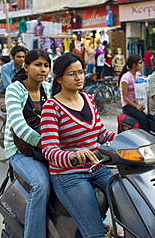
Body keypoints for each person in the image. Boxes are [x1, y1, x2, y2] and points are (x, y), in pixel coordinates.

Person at [40, 52, 117, 237]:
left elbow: (101, 134)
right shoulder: (52, 107)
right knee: (95, 233)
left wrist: (127, 139)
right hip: (70, 176)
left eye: (81, 72)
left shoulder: (89, 99)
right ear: (58, 78)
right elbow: (49, 150)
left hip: (97, 168)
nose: (79, 77)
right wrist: (73, 155)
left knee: (130, 199)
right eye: (72, 73)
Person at [4, 49, 52, 238]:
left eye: (46, 66)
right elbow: (19, 126)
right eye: (38, 65)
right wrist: (46, 144)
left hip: (47, 148)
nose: (43, 70)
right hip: (20, 151)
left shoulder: (48, 89)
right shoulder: (15, 89)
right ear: (26, 67)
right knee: (40, 185)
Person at [119, 54, 149, 131]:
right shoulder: (126, 77)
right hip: (128, 105)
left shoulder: (138, 75)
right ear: (134, 65)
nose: (142, 64)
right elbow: (125, 98)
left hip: (138, 102)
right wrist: (136, 106)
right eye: (140, 63)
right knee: (143, 118)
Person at [0, 46, 26, 111]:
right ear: (12, 57)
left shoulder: (25, 68)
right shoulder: (5, 68)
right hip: (4, 96)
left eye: (23, 57)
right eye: (18, 57)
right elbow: (8, 85)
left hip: (22, 96)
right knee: (14, 109)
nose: (21, 59)